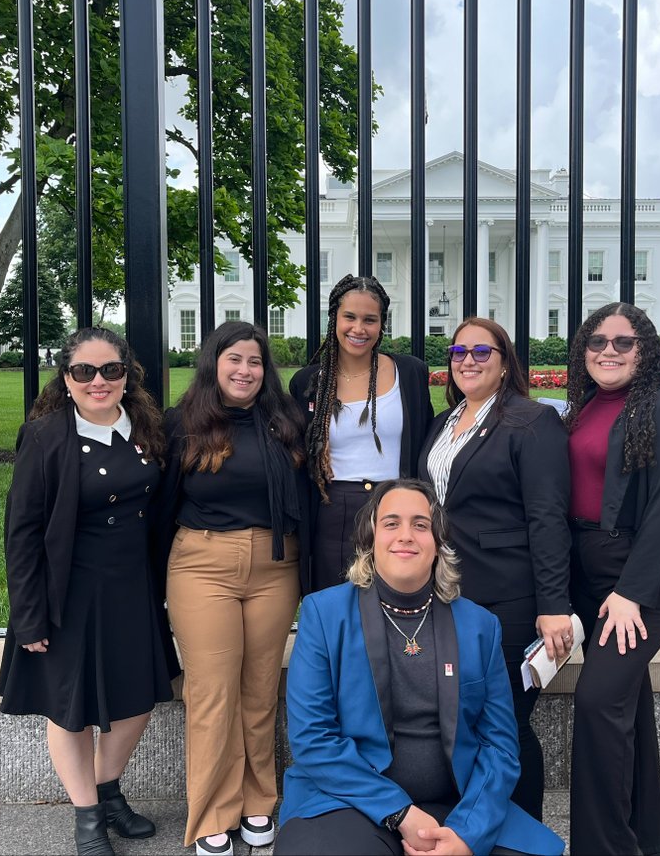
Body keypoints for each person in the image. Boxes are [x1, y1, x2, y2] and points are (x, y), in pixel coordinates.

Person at [276, 479, 565, 856]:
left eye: (420, 524)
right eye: (391, 523)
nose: (406, 535)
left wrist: (467, 835)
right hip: (349, 800)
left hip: (455, 804)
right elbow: (313, 737)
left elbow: (500, 746)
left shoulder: (480, 626)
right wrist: (400, 813)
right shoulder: (324, 614)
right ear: (370, 538)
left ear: (438, 544)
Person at [0, 326, 180, 856]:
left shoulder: (145, 427)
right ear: (66, 378)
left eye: (110, 370)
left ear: (127, 375)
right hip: (69, 594)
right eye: (84, 371)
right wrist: (29, 615)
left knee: (140, 699)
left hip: (133, 588)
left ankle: (107, 789)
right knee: (70, 709)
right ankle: (87, 818)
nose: (98, 381)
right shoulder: (46, 436)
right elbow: (22, 532)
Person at [157, 321, 307, 856]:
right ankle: (212, 813)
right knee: (212, 692)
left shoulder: (284, 421)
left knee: (260, 690)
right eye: (234, 359)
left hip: (275, 565)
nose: (245, 370)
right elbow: (162, 502)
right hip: (203, 564)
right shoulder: (183, 423)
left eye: (255, 361)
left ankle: (257, 800)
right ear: (213, 363)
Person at [416, 317, 572, 821]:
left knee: (507, 723)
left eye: (482, 352)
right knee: (465, 718)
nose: (468, 361)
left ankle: (524, 834)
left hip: (510, 597)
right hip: (449, 595)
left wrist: (554, 606)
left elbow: (547, 517)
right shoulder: (444, 423)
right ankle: (477, 824)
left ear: (504, 363)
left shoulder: (531, 420)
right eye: (458, 352)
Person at [563, 302, 660, 856]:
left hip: (638, 578)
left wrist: (631, 593)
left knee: (598, 702)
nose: (608, 351)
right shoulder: (581, 408)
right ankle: (652, 840)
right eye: (597, 342)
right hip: (587, 571)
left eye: (623, 342)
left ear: (645, 351)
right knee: (626, 703)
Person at [289, 274, 434, 593]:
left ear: (381, 324)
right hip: (333, 509)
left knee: (398, 600)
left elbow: (425, 440)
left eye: (370, 319)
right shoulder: (308, 382)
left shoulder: (409, 372)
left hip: (397, 505)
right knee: (336, 605)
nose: (359, 328)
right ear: (334, 320)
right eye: (350, 317)